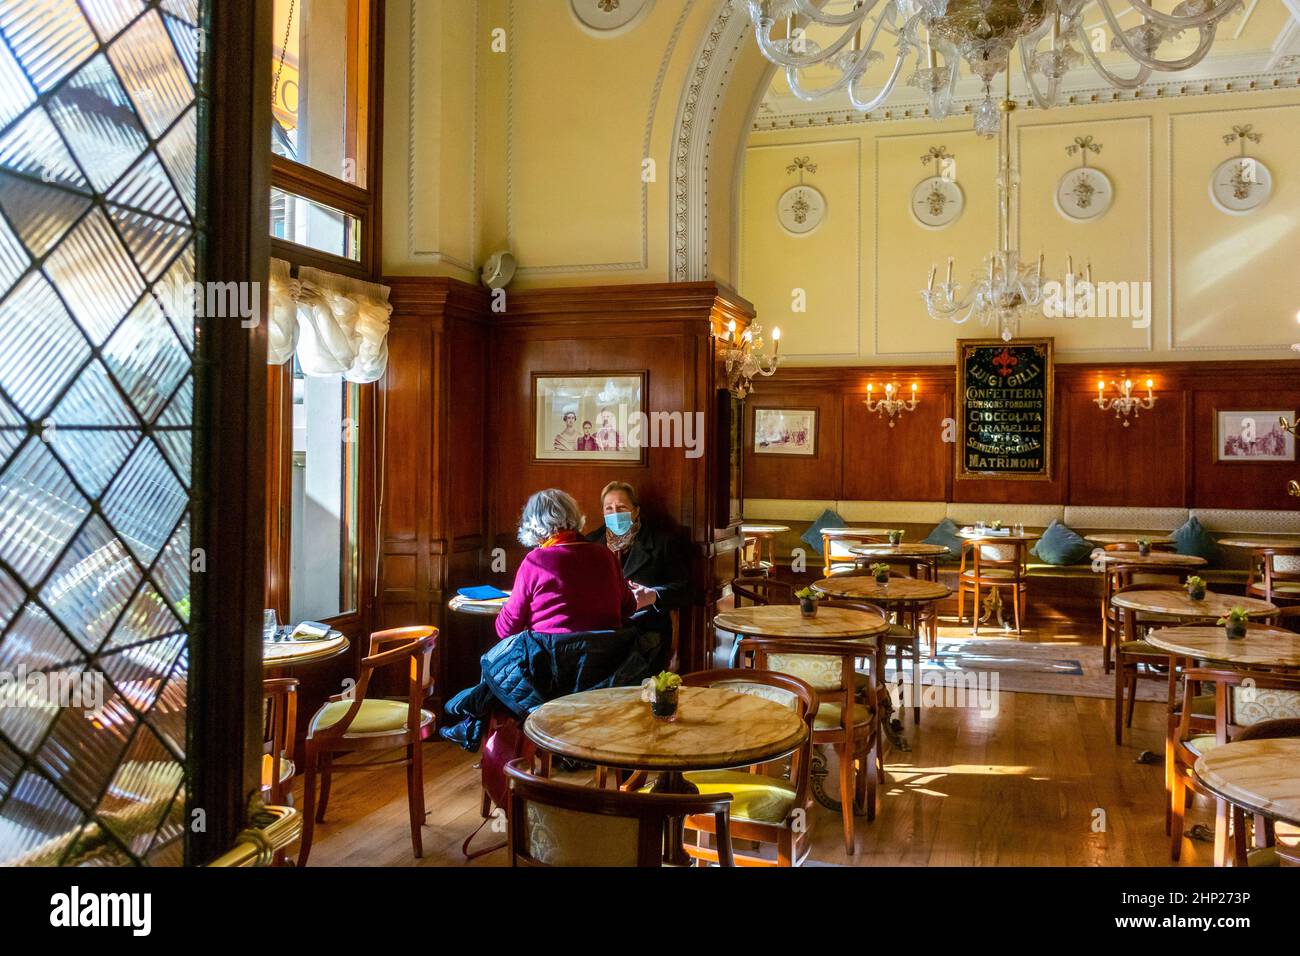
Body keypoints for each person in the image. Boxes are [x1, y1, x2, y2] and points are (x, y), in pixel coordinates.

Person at [441, 489, 658, 755]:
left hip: (552, 673)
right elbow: (627, 608)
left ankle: (474, 722)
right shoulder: (604, 555)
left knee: (496, 662)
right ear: (575, 518)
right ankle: (473, 721)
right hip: (605, 669)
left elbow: (506, 629)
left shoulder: (536, 560)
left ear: (535, 526)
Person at [586, 480, 689, 663]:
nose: (615, 513)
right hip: (600, 630)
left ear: (636, 511)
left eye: (621, 507)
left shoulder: (661, 543)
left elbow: (685, 588)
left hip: (644, 631)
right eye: (609, 508)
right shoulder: (591, 543)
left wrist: (653, 595)